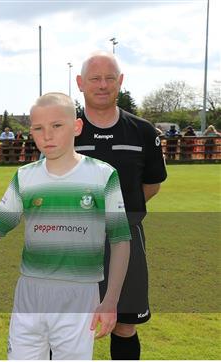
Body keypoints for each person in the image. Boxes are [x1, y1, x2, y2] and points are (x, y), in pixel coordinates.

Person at [0, 93, 131, 360]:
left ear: (77, 127)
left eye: (57, 126)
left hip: (79, 294)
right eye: (38, 128)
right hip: (29, 293)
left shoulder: (103, 175)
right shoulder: (26, 176)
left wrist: (111, 300)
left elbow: (120, 240)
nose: (47, 135)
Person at [75, 51, 167, 359]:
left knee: (125, 325)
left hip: (124, 239)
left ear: (121, 82)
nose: (102, 85)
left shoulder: (143, 132)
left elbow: (150, 185)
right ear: (80, 83)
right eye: (95, 79)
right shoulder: (62, 130)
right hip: (73, 241)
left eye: (109, 78)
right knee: (68, 325)